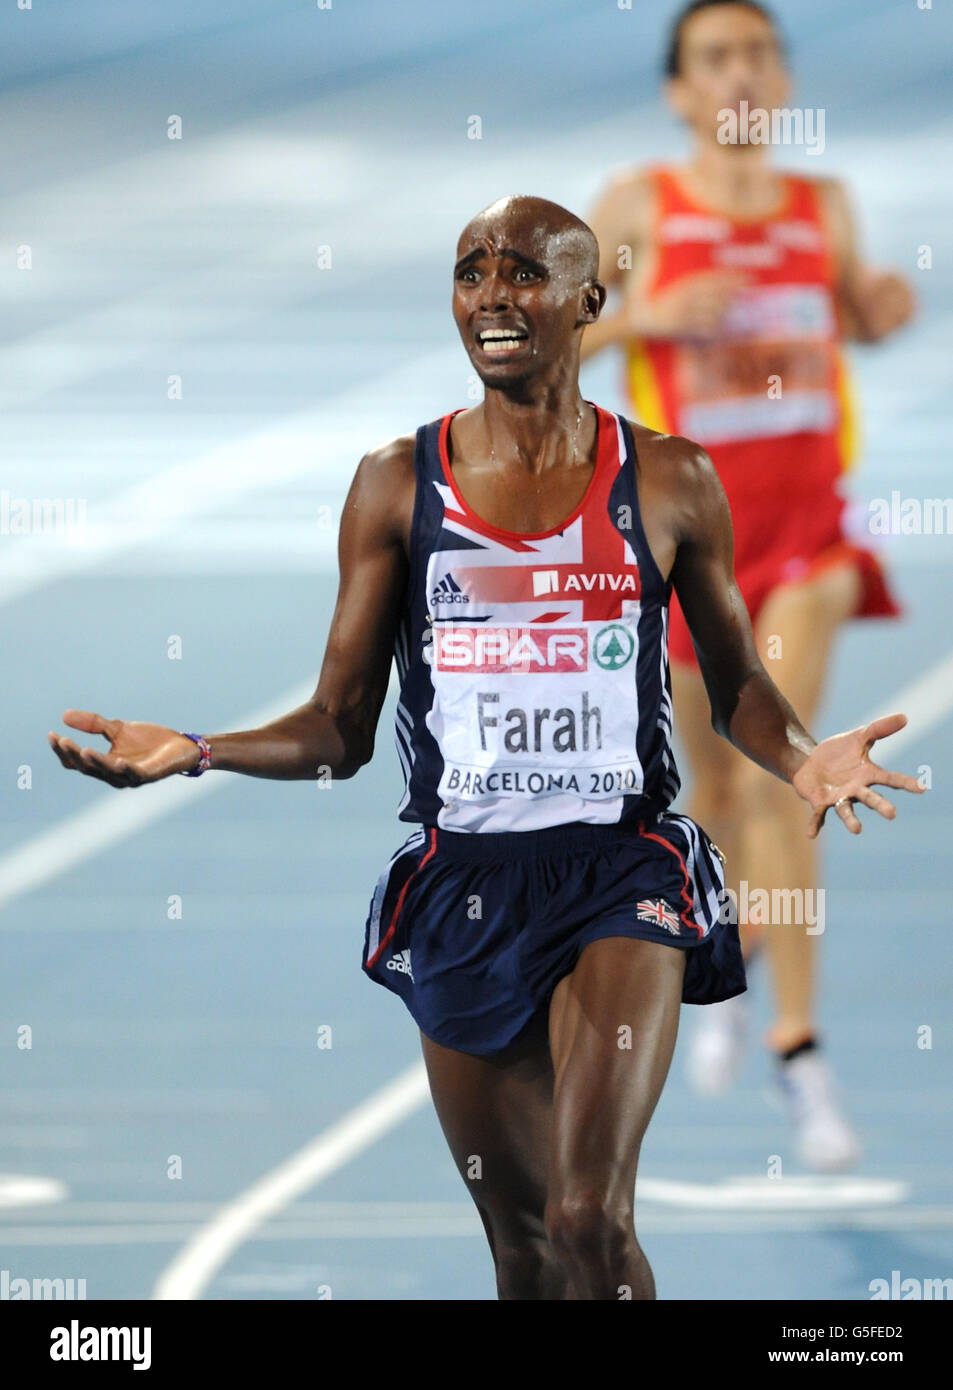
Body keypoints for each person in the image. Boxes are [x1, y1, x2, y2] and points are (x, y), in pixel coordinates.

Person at [48, 195, 922, 1301]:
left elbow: (736, 684)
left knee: (588, 1216)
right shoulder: (395, 485)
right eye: (470, 273)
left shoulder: (665, 480)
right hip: (464, 884)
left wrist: (800, 756)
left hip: (622, 872)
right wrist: (199, 748)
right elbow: (339, 728)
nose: (493, 296)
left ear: (587, 302)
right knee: (524, 1250)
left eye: (523, 274)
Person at [582, 0, 916, 1169]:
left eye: (757, 55)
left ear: (778, 80)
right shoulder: (635, 207)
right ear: (679, 90)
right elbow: (527, 337)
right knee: (714, 793)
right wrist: (645, 318)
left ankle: (798, 1050)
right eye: (715, 58)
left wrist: (878, 313)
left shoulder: (820, 206)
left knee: (788, 770)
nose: (739, 74)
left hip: (810, 533)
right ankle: (731, 967)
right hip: (692, 542)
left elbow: (855, 315)